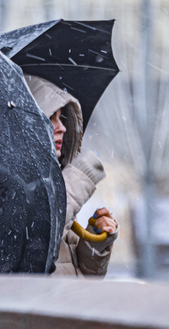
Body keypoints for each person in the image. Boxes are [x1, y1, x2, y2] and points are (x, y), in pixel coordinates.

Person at [25, 74, 119, 277]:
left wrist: (95, 242)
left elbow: (83, 278)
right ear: (28, 125)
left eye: (61, 117)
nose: (62, 128)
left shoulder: (50, 179)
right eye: (51, 118)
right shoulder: (17, 188)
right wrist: (80, 177)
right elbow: (36, 244)